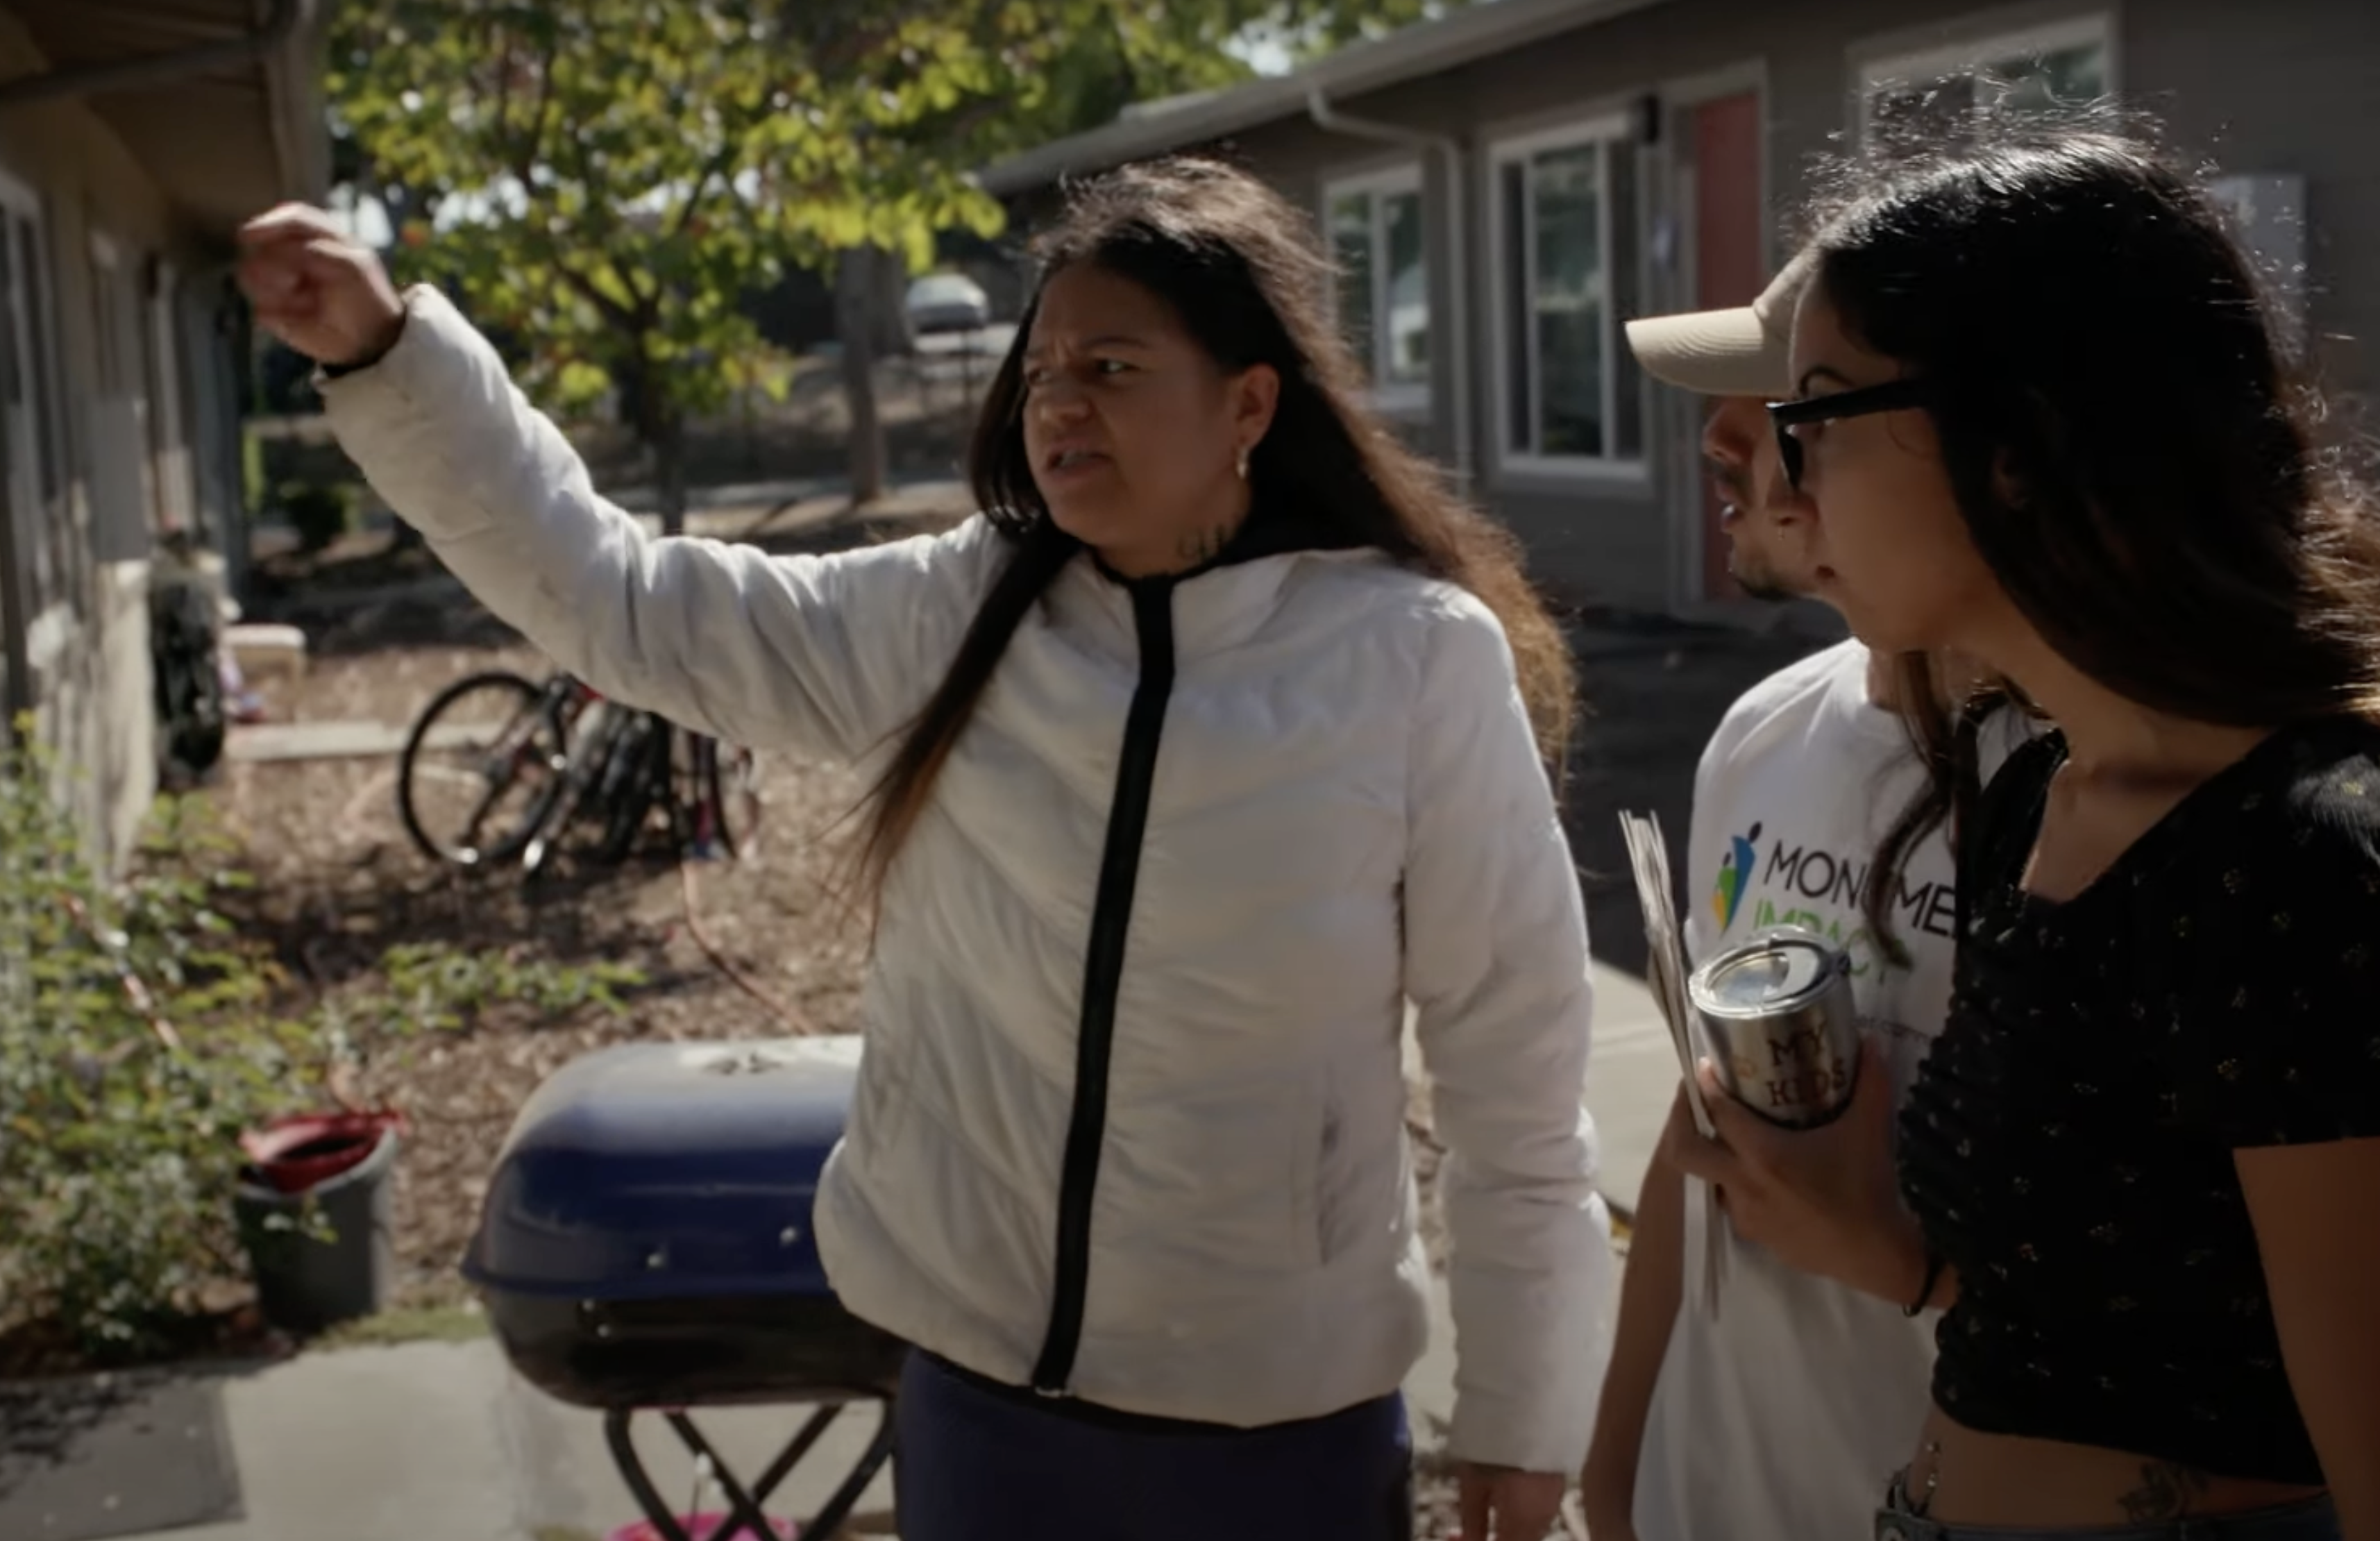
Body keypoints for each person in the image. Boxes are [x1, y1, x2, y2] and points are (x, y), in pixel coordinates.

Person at [235, 155, 1612, 1541]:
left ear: (1250, 402)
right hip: (982, 1410)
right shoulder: (955, 610)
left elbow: (1516, 1069)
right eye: (1044, 368)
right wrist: (389, 355)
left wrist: (1521, 1411)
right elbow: (621, 602)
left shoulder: (1409, 660)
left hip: (1278, 1432)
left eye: (1115, 366)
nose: (1059, 400)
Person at [1662, 111, 2380, 1541]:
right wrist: (1897, 1262)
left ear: (2023, 443)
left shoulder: (2334, 876)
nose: (1780, 488)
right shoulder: (2034, 789)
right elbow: (2126, 1302)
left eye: (1817, 417)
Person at [1580, 257, 2024, 1541]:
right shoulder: (1766, 729)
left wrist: (1903, 1261)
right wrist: (1619, 1470)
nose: (1723, 442)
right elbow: (1698, 1127)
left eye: (1787, 395)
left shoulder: (2090, 789)